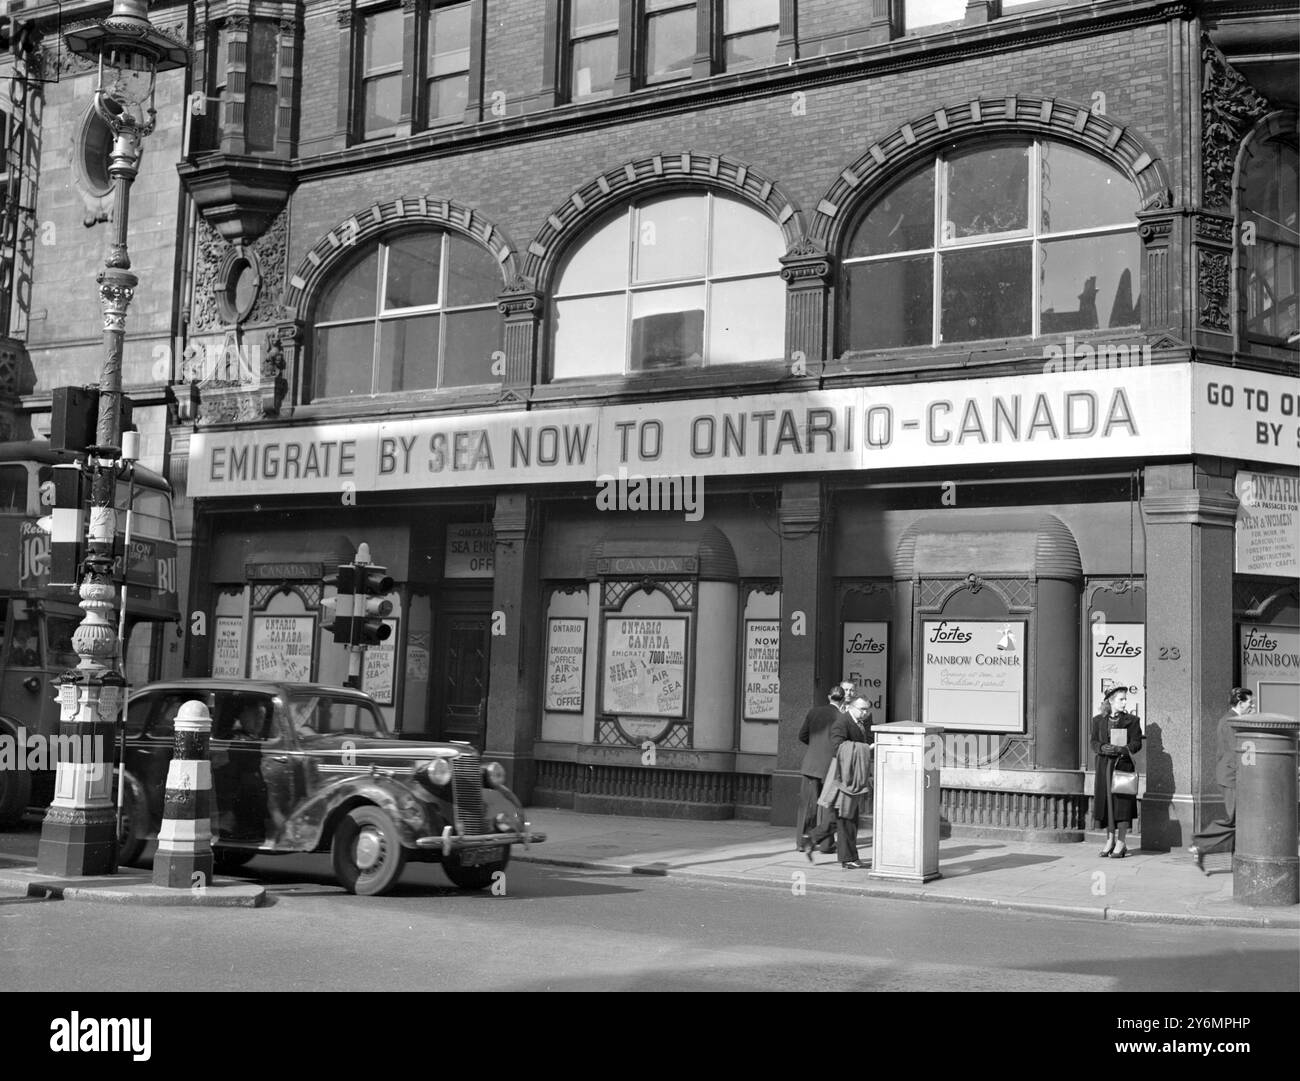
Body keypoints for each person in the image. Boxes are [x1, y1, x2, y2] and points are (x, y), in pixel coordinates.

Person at [1188, 687, 1255, 872]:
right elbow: (1237, 752)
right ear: (1240, 703)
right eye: (1250, 702)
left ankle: (1233, 859)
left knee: (1238, 818)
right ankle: (1200, 843)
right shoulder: (1230, 722)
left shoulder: (1232, 720)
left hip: (1231, 775)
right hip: (1231, 776)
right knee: (1233, 818)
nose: (1253, 706)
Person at [804, 696, 873, 868]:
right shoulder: (842, 722)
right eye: (862, 709)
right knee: (847, 818)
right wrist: (866, 749)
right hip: (844, 777)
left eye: (867, 709)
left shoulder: (859, 722)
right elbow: (838, 747)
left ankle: (812, 839)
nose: (865, 713)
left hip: (850, 775)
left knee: (842, 817)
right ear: (851, 706)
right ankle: (848, 859)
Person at [1091, 685, 1143, 858]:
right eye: (1121, 699)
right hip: (1104, 767)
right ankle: (1109, 840)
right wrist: (1102, 747)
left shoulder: (1132, 720)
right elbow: (1093, 742)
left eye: (1125, 698)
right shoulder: (1098, 720)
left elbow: (1137, 743)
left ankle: (1121, 842)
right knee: (1107, 805)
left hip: (1122, 766)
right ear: (1111, 701)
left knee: (1121, 805)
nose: (1124, 702)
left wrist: (1123, 750)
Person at [795, 685, 846, 854]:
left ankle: (802, 843)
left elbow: (802, 735)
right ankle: (825, 845)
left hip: (811, 764)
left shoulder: (813, 712)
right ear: (843, 699)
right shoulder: (842, 717)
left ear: (828, 697)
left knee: (807, 806)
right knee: (827, 805)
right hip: (830, 767)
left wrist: (816, 748)